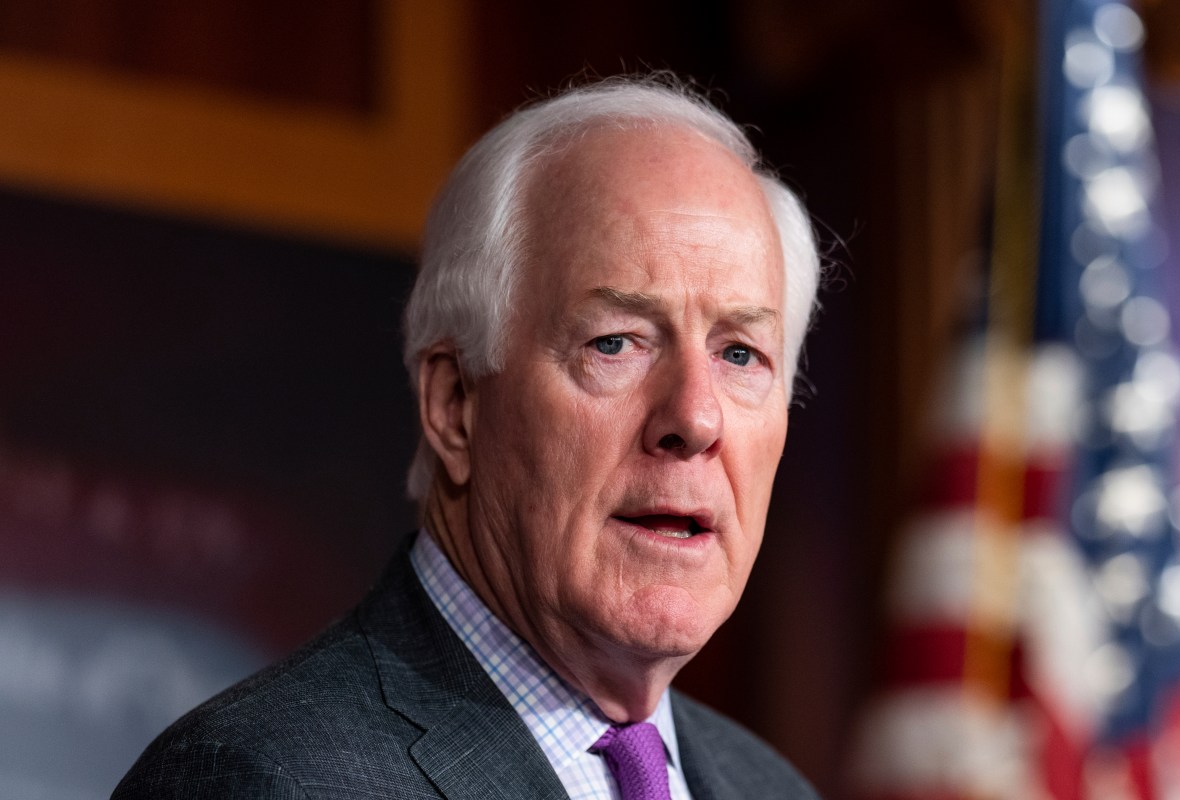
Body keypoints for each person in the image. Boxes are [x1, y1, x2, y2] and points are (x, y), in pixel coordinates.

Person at [113, 74, 823, 800]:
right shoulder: (260, 781)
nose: (696, 419)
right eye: (616, 343)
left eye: (740, 354)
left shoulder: (773, 790)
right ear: (455, 405)